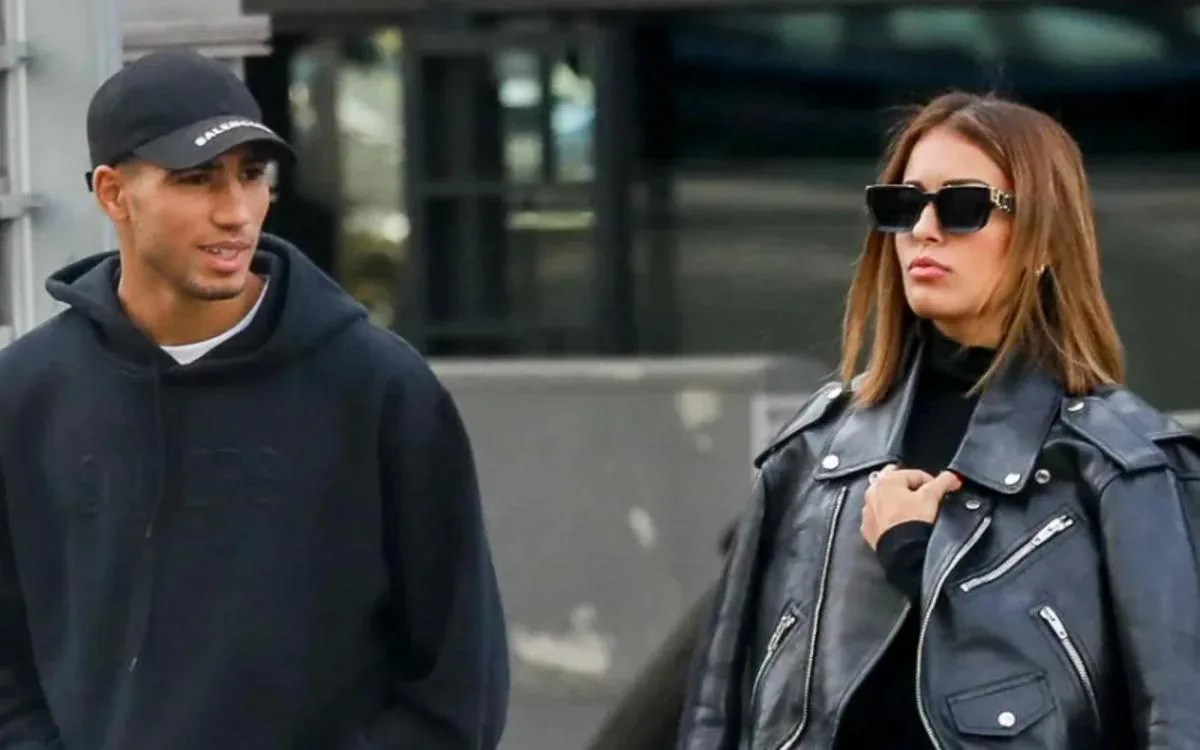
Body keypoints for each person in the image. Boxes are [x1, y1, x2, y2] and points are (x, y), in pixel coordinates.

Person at [0, 49, 509, 750]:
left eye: (251, 176)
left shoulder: (378, 388)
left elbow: (458, 683)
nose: (236, 212)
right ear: (114, 194)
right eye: (196, 179)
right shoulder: (25, 395)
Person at [676, 91, 1200, 749]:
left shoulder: (1121, 465)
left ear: (1041, 238)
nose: (924, 230)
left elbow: (1180, 719)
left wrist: (917, 557)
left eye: (962, 206)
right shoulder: (814, 453)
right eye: (903, 204)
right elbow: (715, 712)